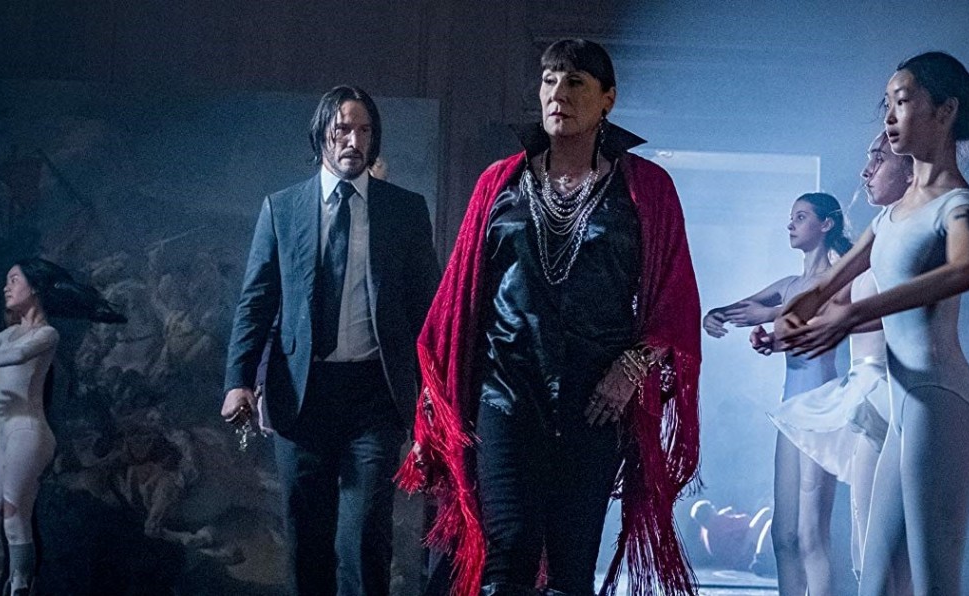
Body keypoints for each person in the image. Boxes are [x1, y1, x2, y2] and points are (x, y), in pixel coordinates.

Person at [396, 39, 701, 596]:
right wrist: (438, 401)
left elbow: (674, 303)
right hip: (506, 393)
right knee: (507, 553)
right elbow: (457, 298)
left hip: (595, 400)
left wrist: (631, 369)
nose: (558, 93)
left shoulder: (646, 189)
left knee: (570, 568)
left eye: (575, 82)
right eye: (549, 80)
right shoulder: (499, 182)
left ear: (607, 99)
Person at [776, 52, 969, 596]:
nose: (890, 117)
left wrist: (856, 312)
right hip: (907, 407)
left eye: (903, 102)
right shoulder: (889, 216)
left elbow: (966, 268)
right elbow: (826, 286)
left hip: (942, 400)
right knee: (875, 584)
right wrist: (786, 323)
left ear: (945, 111)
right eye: (887, 105)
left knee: (933, 585)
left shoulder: (957, 203)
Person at [221, 85, 440, 595]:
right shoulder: (282, 209)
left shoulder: (405, 211)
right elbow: (256, 303)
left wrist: (433, 395)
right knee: (307, 542)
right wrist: (238, 380)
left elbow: (427, 311)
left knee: (365, 539)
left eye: (365, 131)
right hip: (302, 395)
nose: (353, 141)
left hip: (375, 397)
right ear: (321, 134)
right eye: (343, 129)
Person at [765, 132, 913, 591]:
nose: (865, 171)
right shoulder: (880, 231)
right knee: (867, 544)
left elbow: (871, 314)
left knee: (893, 547)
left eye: (878, 159)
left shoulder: (925, 225)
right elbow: (825, 299)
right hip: (864, 392)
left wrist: (840, 320)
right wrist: (781, 331)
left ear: (911, 170)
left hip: (896, 393)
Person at [704, 192, 851, 596]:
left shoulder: (834, 280)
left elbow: (815, 324)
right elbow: (746, 307)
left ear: (826, 224)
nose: (790, 224)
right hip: (791, 411)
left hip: (821, 409)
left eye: (801, 217)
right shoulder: (790, 285)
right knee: (783, 535)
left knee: (810, 535)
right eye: (791, 217)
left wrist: (771, 323)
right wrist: (715, 315)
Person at [0, 258, 125, 596]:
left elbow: (15, 357)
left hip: (28, 435)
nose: (6, 287)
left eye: (14, 280)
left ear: (36, 287)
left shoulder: (46, 334)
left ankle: (20, 586)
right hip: (6, 438)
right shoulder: (8, 334)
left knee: (14, 520)